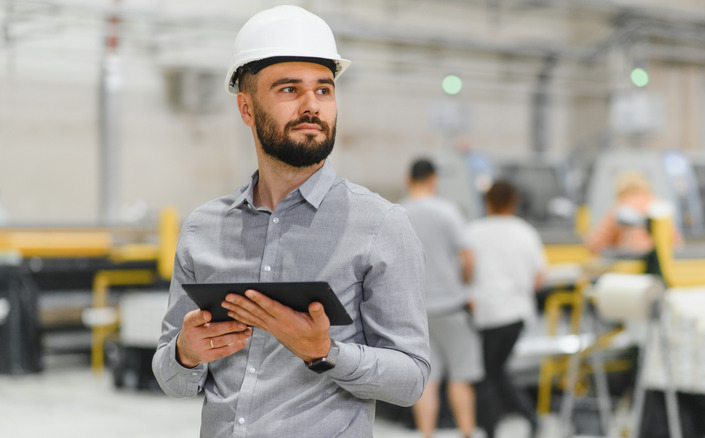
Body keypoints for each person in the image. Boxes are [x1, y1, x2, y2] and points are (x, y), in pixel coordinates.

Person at [151, 6, 430, 437]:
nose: (311, 106)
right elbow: (172, 378)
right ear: (246, 108)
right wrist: (186, 354)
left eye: (324, 90)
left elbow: (411, 378)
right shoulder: (203, 229)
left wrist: (324, 351)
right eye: (288, 89)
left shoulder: (380, 225)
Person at [400, 158, 484, 438]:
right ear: (434, 179)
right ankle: (467, 432)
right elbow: (468, 258)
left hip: (416, 308)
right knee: (460, 375)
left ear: (407, 179)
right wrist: (464, 283)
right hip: (450, 305)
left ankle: (426, 434)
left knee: (427, 375)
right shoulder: (447, 211)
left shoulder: (397, 212)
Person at [467, 181, 546, 438]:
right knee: (497, 371)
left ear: (487, 201)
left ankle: (495, 428)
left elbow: (465, 271)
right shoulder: (526, 232)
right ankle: (529, 417)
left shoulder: (473, 232)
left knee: (488, 373)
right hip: (517, 313)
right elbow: (539, 279)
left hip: (486, 313)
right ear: (513, 201)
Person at [585, 170, 682, 257]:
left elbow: (595, 243)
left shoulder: (620, 207)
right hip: (659, 264)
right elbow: (676, 242)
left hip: (631, 265)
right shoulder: (658, 205)